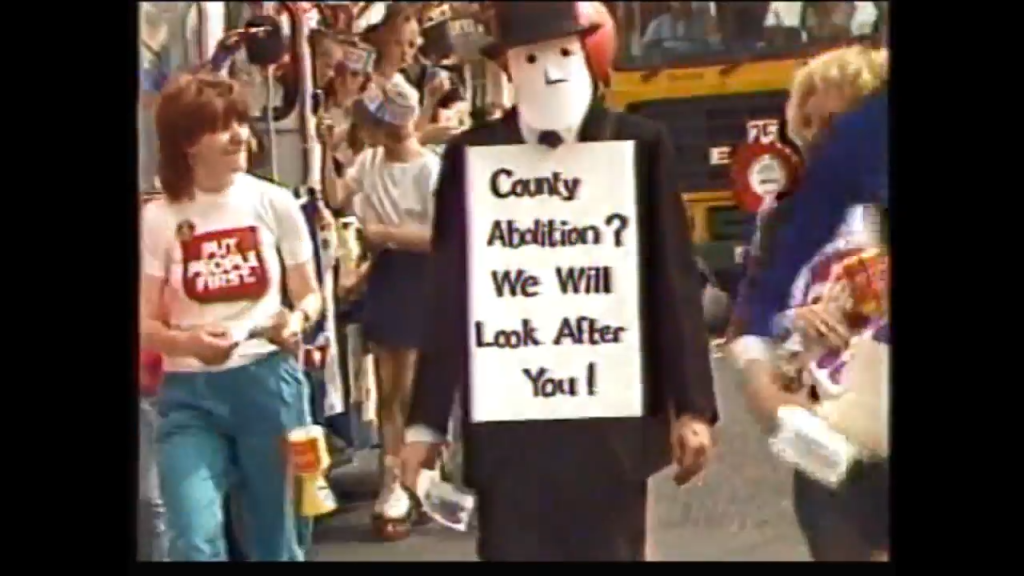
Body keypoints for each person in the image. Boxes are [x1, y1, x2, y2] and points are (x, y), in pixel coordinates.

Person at [399, 2, 718, 561]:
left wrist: (692, 406)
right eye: (531, 56)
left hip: (611, 428)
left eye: (564, 52)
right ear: (508, 68)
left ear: (587, 55)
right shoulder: (471, 156)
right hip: (510, 436)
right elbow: (449, 295)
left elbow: (672, 282)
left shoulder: (640, 146)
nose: (550, 70)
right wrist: (425, 423)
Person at [141, 73, 322, 562]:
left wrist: (294, 320)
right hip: (188, 397)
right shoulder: (158, 218)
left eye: (241, 121)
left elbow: (310, 295)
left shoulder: (274, 202)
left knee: (276, 542)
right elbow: (145, 324)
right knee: (194, 537)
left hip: (267, 384)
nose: (240, 134)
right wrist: (190, 343)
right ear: (187, 144)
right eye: (222, 126)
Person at [727, 46, 890, 561]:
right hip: (828, 437)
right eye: (810, 124)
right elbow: (750, 318)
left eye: (837, 122)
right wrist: (788, 322)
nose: (822, 139)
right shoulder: (786, 218)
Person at [330, 82, 442, 540]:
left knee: (409, 386)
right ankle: (392, 478)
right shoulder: (369, 162)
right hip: (385, 274)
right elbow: (338, 196)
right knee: (386, 385)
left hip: (419, 275)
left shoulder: (429, 170)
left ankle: (415, 478)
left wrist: (386, 233)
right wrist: (325, 147)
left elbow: (441, 237)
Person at [641, 2, 720, 55]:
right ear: (671, 7)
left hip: (699, 64)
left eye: (684, 4)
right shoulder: (658, 24)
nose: (682, 9)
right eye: (678, 6)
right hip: (667, 67)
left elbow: (716, 46)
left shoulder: (704, 21)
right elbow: (646, 48)